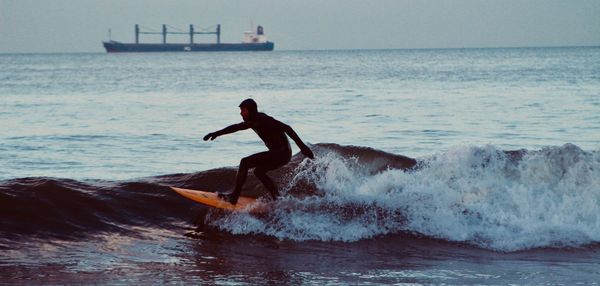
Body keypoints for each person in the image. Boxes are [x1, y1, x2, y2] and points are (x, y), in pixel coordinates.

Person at [203, 99, 314, 205]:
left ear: (250, 111)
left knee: (245, 162)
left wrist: (302, 147)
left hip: (281, 153)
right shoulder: (252, 121)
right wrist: (216, 133)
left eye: (243, 110)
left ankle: (234, 197)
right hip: (281, 154)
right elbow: (236, 127)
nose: (241, 113)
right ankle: (277, 198)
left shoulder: (263, 119)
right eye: (241, 111)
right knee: (259, 171)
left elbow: (287, 128)